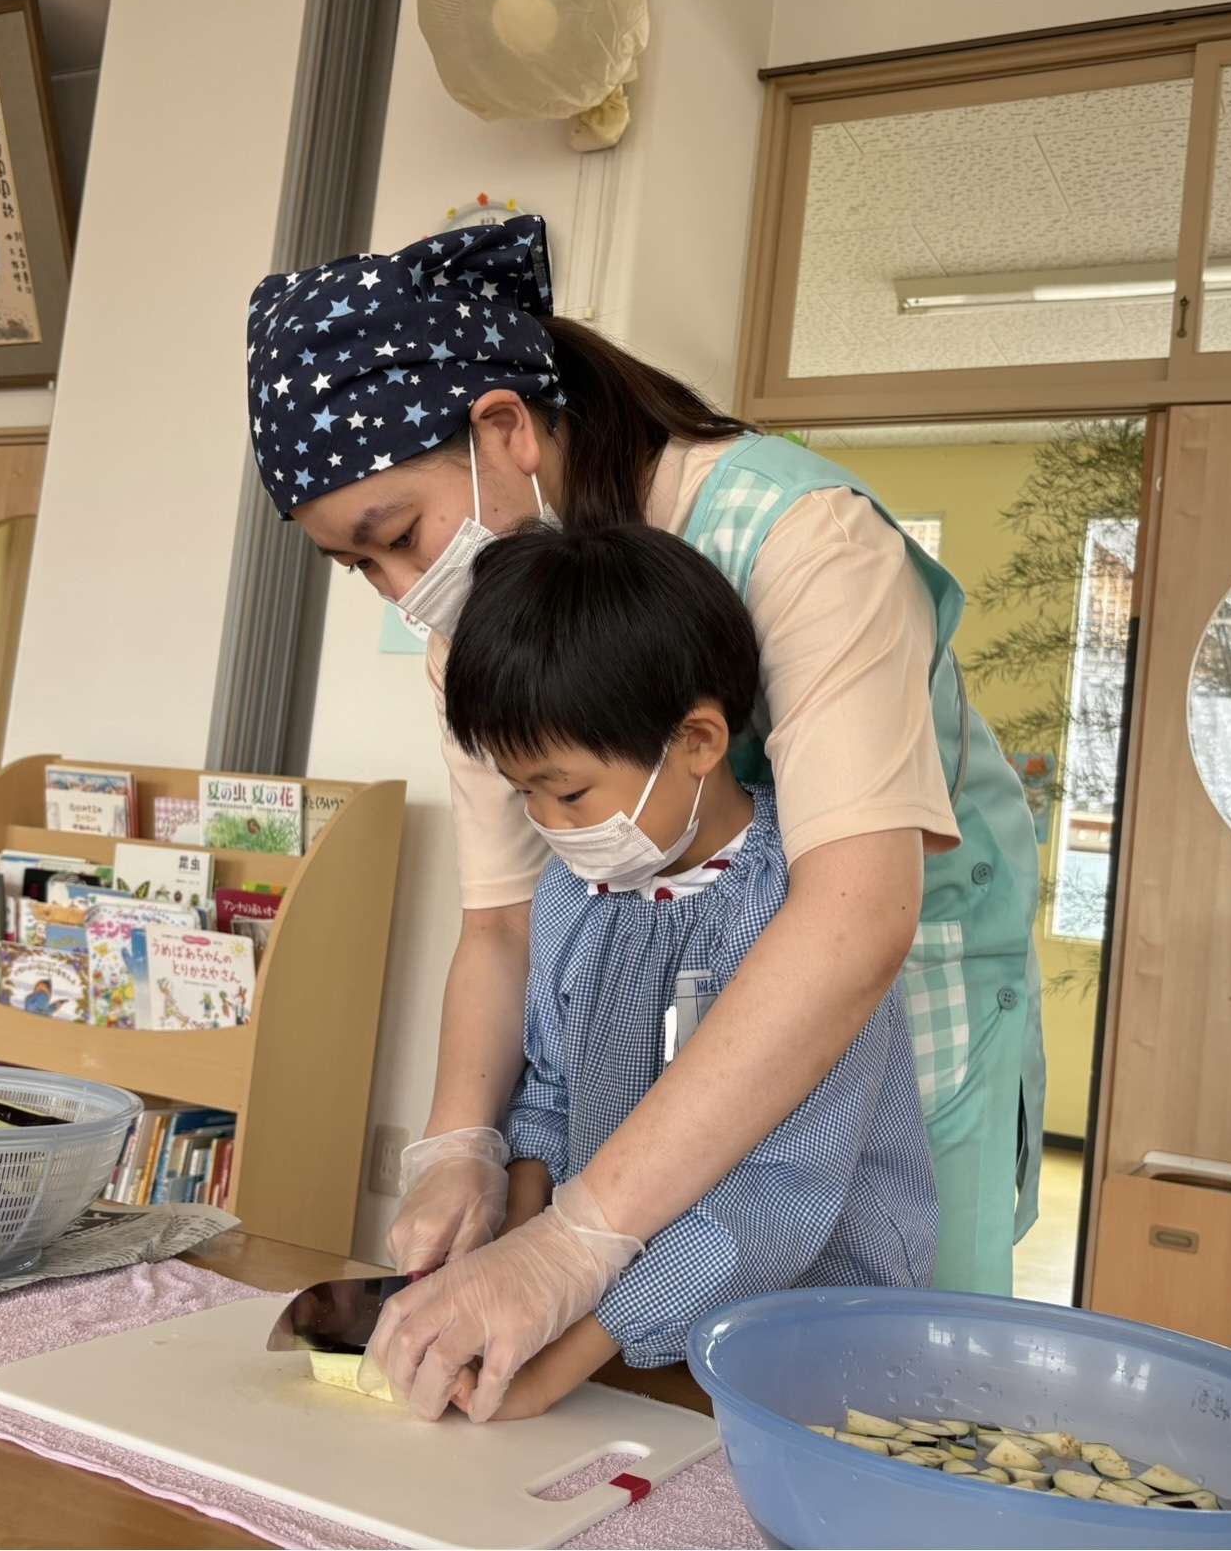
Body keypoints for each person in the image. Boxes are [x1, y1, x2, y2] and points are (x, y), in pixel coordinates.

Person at [246, 214, 1042, 1419]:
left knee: (884, 1402)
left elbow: (852, 919)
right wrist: (460, 1146)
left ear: (505, 429)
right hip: (669, 1059)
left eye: (398, 538)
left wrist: (578, 1242)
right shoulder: (483, 635)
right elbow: (504, 924)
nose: (406, 596)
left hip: (891, 999)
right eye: (362, 568)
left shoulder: (799, 540)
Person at [365, 522, 938, 1420]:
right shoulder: (574, 896)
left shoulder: (803, 919)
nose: (547, 825)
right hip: (615, 1332)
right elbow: (550, 1091)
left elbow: (773, 1200)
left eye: (568, 792)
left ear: (698, 740)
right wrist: (507, 1258)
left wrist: (554, 1358)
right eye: (523, 794)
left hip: (808, 1344)